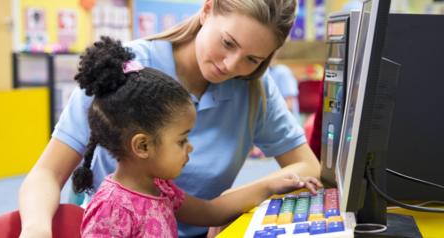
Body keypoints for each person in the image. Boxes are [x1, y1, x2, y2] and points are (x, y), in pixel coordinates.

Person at [18, 0, 321, 237]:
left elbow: (307, 165)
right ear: (207, 10)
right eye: (228, 43)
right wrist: (35, 230)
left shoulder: (255, 87)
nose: (231, 65)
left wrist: (233, 201)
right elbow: (47, 173)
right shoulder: (124, 69)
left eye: (253, 59)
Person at [73, 37, 320, 237]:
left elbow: (210, 211)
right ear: (143, 145)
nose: (190, 148)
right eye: (182, 140)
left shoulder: (161, 188)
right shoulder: (112, 208)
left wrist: (269, 186)